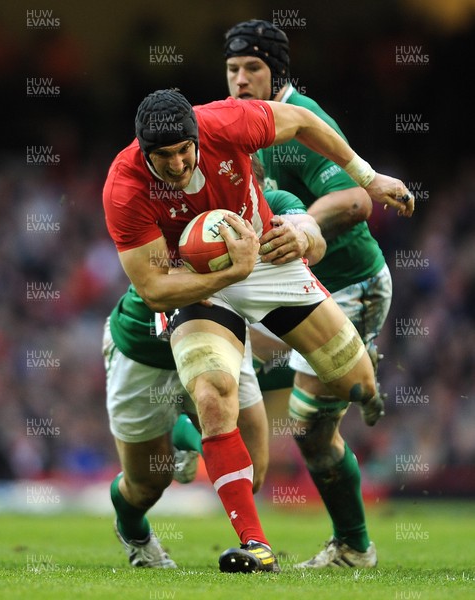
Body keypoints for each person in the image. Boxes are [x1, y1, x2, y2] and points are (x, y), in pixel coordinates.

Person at [102, 87, 413, 573]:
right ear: (144, 152)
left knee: (353, 386)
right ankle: (256, 547)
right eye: (164, 157)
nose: (179, 165)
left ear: (199, 138)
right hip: (194, 285)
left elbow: (302, 122)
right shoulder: (125, 185)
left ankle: (358, 369)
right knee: (211, 394)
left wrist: (368, 178)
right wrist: (229, 273)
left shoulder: (227, 123)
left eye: (185, 151)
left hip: (263, 258)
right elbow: (156, 289)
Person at [224, 19, 409, 568]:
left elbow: (356, 200)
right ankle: (359, 373)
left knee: (306, 428)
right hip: (293, 284)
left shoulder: (303, 124)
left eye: (251, 69)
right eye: (232, 70)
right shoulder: (241, 123)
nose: (238, 81)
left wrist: (303, 222)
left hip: (351, 285)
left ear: (276, 71)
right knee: (223, 367)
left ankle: (354, 547)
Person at [104, 158, 326, 570]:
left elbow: (310, 232)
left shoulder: (272, 204)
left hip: (220, 343)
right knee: (147, 482)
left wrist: (305, 238)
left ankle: (192, 437)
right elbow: (157, 301)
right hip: (145, 348)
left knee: (254, 471)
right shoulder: (181, 208)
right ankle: (134, 530)